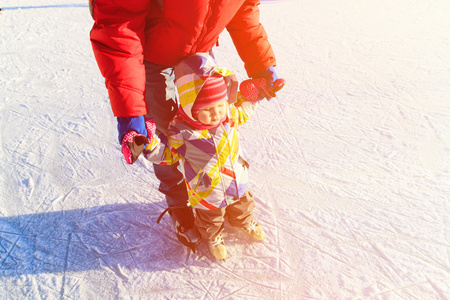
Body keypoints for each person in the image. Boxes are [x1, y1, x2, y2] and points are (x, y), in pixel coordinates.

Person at [89, 0, 284, 251]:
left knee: (214, 123)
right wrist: (130, 112)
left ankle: (224, 194)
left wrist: (261, 64)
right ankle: (180, 203)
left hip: (201, 57)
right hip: (152, 61)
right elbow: (119, 22)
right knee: (170, 137)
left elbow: (243, 8)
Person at [141, 53, 284, 259]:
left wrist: (252, 97)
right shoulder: (183, 132)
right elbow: (167, 155)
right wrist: (150, 143)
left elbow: (243, 113)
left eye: (219, 105)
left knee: (243, 204)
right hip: (207, 190)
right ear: (191, 108)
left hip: (236, 180)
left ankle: (243, 220)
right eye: (207, 109)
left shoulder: (228, 116)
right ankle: (214, 236)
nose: (216, 113)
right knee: (210, 218)